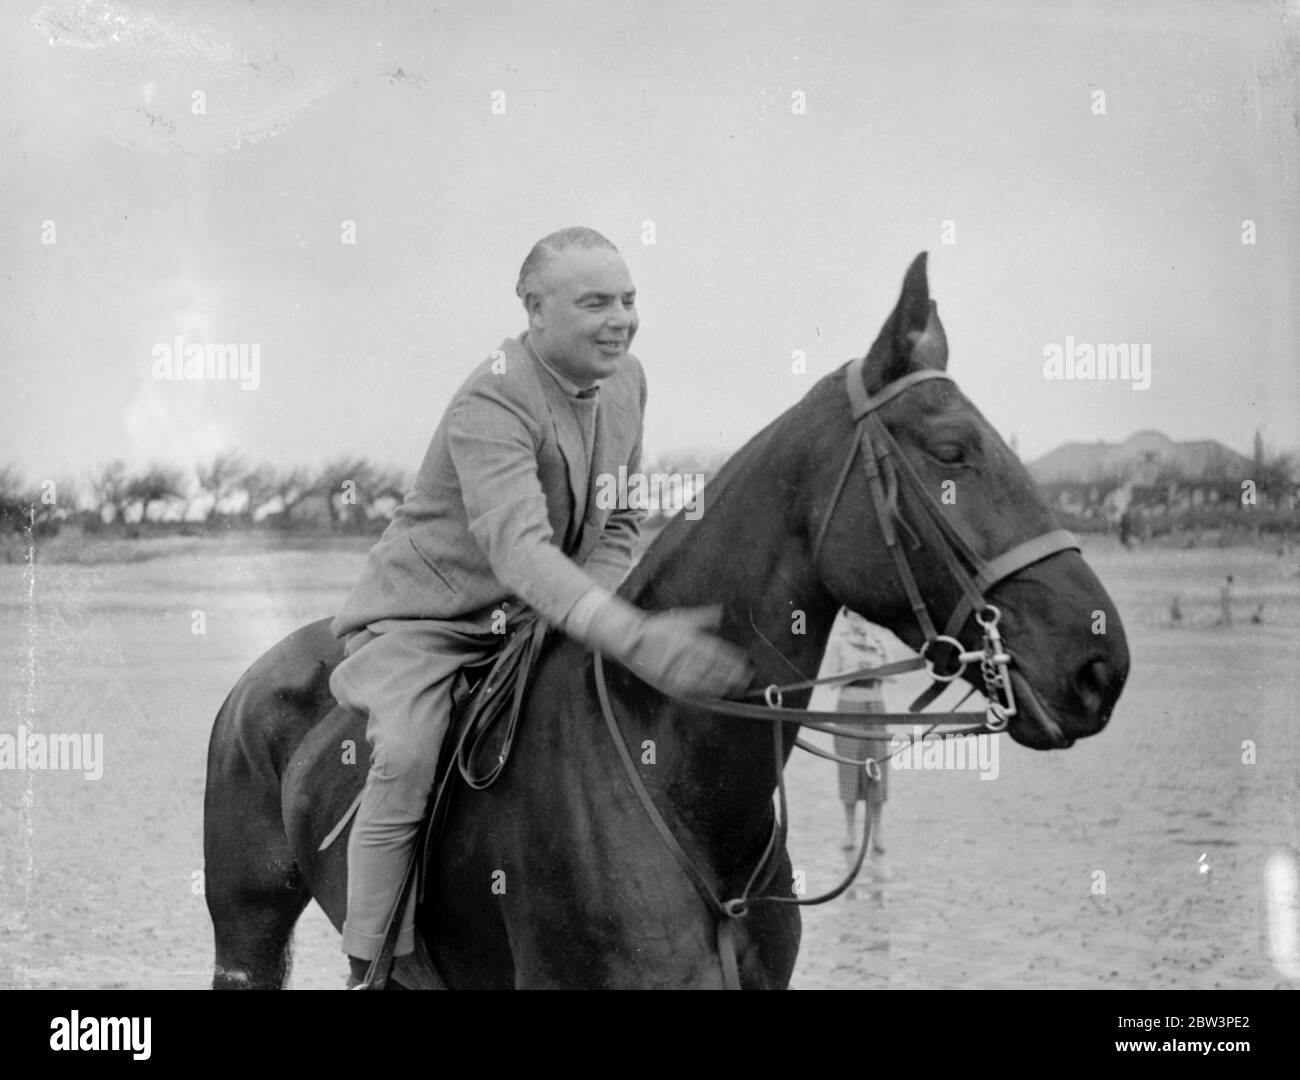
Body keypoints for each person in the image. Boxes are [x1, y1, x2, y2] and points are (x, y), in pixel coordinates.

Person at [328, 227, 750, 988]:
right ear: (534, 309)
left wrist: (594, 604)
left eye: (627, 299)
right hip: (433, 622)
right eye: (595, 302)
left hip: (545, 612)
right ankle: (371, 967)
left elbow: (620, 520)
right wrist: (626, 631)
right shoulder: (492, 394)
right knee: (408, 751)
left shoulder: (627, 382)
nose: (620, 318)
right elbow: (517, 548)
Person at [821, 609, 890, 863]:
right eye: (855, 617)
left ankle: (877, 832)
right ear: (847, 618)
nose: (859, 621)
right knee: (849, 770)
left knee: (878, 770)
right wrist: (854, 671)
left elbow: (894, 674)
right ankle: (850, 831)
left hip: (876, 707)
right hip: (849, 706)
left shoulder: (877, 643)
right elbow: (829, 678)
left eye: (863, 617)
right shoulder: (839, 643)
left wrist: (874, 667)